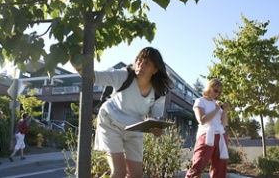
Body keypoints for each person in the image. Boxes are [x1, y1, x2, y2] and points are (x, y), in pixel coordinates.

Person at [74, 47, 173, 178]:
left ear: (155, 69)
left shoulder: (159, 91)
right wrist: (74, 59)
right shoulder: (124, 75)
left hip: (134, 128)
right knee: (119, 172)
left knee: (135, 175)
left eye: (147, 63)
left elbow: (155, 118)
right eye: (139, 60)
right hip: (110, 123)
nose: (140, 65)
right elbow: (92, 76)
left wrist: (156, 129)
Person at [185, 78, 230, 178]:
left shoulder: (217, 104)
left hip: (220, 135)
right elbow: (202, 120)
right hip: (206, 134)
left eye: (219, 92)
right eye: (215, 90)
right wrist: (216, 109)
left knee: (220, 167)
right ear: (209, 87)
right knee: (199, 164)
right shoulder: (200, 101)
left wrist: (225, 111)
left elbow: (223, 124)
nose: (217, 94)